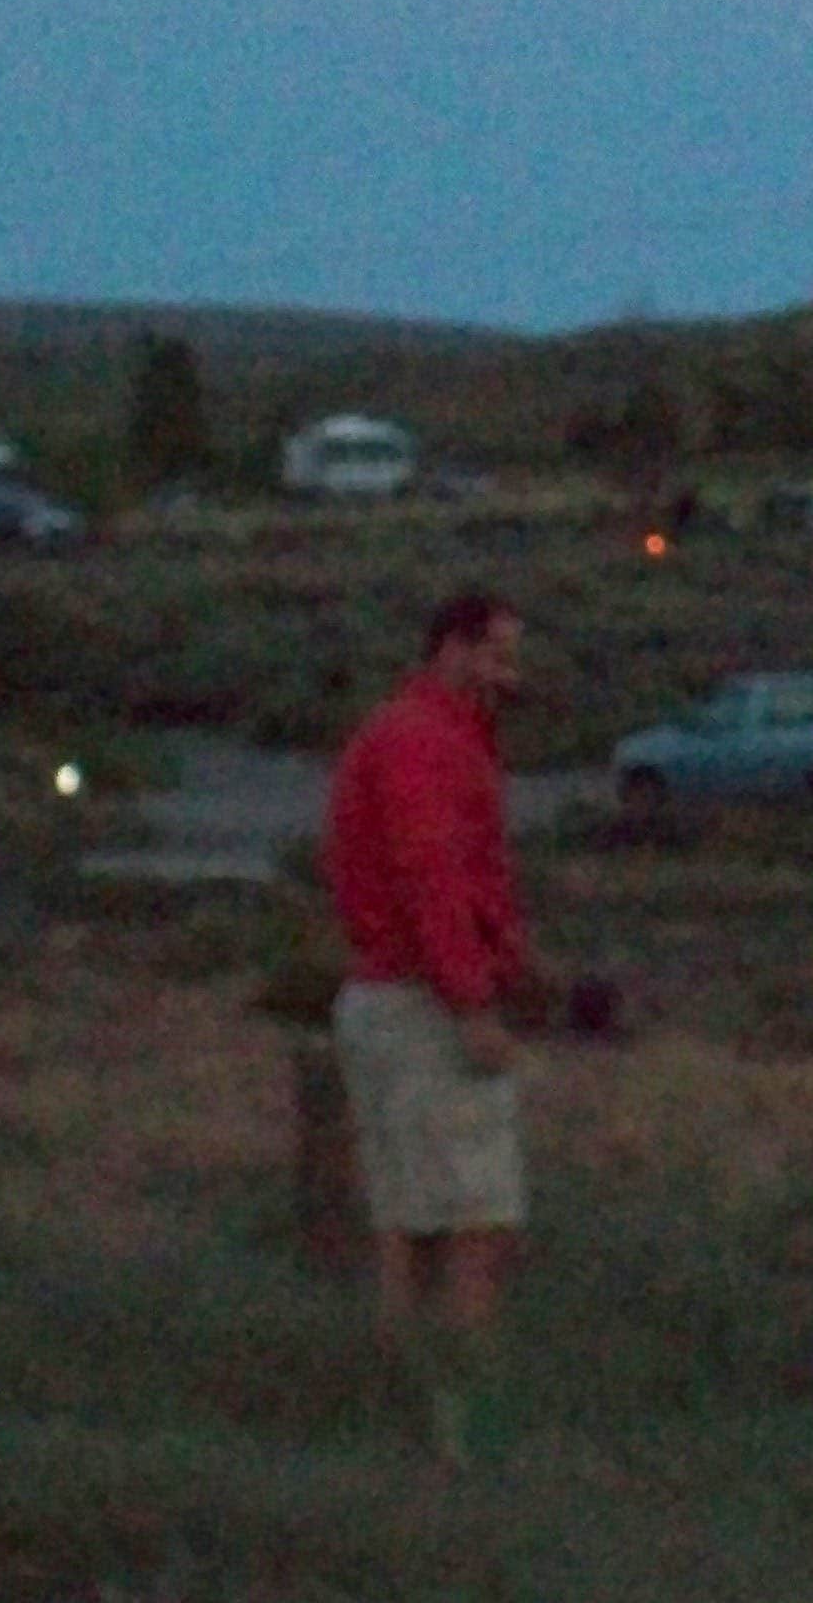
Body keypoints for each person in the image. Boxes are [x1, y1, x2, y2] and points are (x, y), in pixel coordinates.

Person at [324, 587, 547, 1459]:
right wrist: (472, 1002)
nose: (508, 673)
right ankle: (464, 1429)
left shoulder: (415, 736)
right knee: (474, 1228)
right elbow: (432, 881)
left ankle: (401, 1422)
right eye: (497, 653)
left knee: (409, 1228)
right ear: (451, 649)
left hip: (390, 1000)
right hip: (423, 1009)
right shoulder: (424, 743)